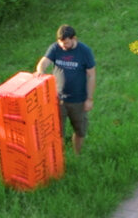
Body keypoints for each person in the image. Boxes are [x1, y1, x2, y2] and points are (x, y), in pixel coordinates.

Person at [36, 24, 96, 154]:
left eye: (66, 43)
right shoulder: (55, 48)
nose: (63, 46)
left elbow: (91, 75)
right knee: (56, 132)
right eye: (61, 43)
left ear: (74, 38)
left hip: (78, 100)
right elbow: (43, 62)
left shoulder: (85, 51)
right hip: (58, 99)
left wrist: (89, 99)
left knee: (80, 131)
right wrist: (41, 71)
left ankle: (77, 154)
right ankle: (58, 158)